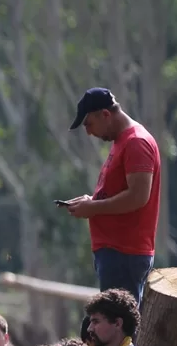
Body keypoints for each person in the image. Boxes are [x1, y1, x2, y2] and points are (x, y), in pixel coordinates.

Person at [59, 87, 161, 306]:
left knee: (118, 329)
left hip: (124, 253)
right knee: (113, 326)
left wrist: (94, 208)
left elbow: (138, 196)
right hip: (115, 254)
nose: (88, 132)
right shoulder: (122, 141)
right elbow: (120, 191)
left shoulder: (136, 142)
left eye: (89, 124)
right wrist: (91, 200)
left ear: (105, 115)